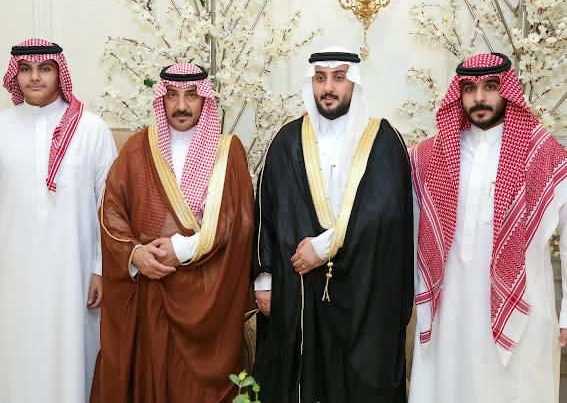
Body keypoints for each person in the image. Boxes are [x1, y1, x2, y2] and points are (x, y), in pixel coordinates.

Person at [252, 46, 414, 402]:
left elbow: (386, 214)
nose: (328, 88)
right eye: (320, 78)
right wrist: (264, 280)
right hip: (299, 292)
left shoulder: (382, 140)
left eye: (339, 78)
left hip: (365, 290)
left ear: (354, 82)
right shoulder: (286, 141)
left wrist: (323, 247)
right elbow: (267, 208)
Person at [91, 62, 254, 403]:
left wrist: (182, 249)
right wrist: (135, 254)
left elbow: (237, 222)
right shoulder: (138, 148)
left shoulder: (228, 151)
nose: (181, 105)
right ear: (161, 99)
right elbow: (111, 209)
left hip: (208, 294)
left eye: (191, 95)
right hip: (152, 289)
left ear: (204, 99)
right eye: (173, 95)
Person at [408, 52, 567, 403]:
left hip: (522, 308)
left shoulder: (543, 155)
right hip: (449, 310)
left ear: (506, 90)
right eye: (469, 88)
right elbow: (410, 233)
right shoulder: (430, 156)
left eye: (490, 86)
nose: (479, 97)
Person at [0, 38, 117, 402]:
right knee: (16, 356)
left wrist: (100, 269)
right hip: (12, 274)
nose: (35, 77)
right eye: (26, 69)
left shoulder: (92, 129)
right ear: (15, 75)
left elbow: (110, 207)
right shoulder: (2, 127)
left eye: (44, 69)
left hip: (74, 274)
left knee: (73, 359)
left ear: (59, 73)